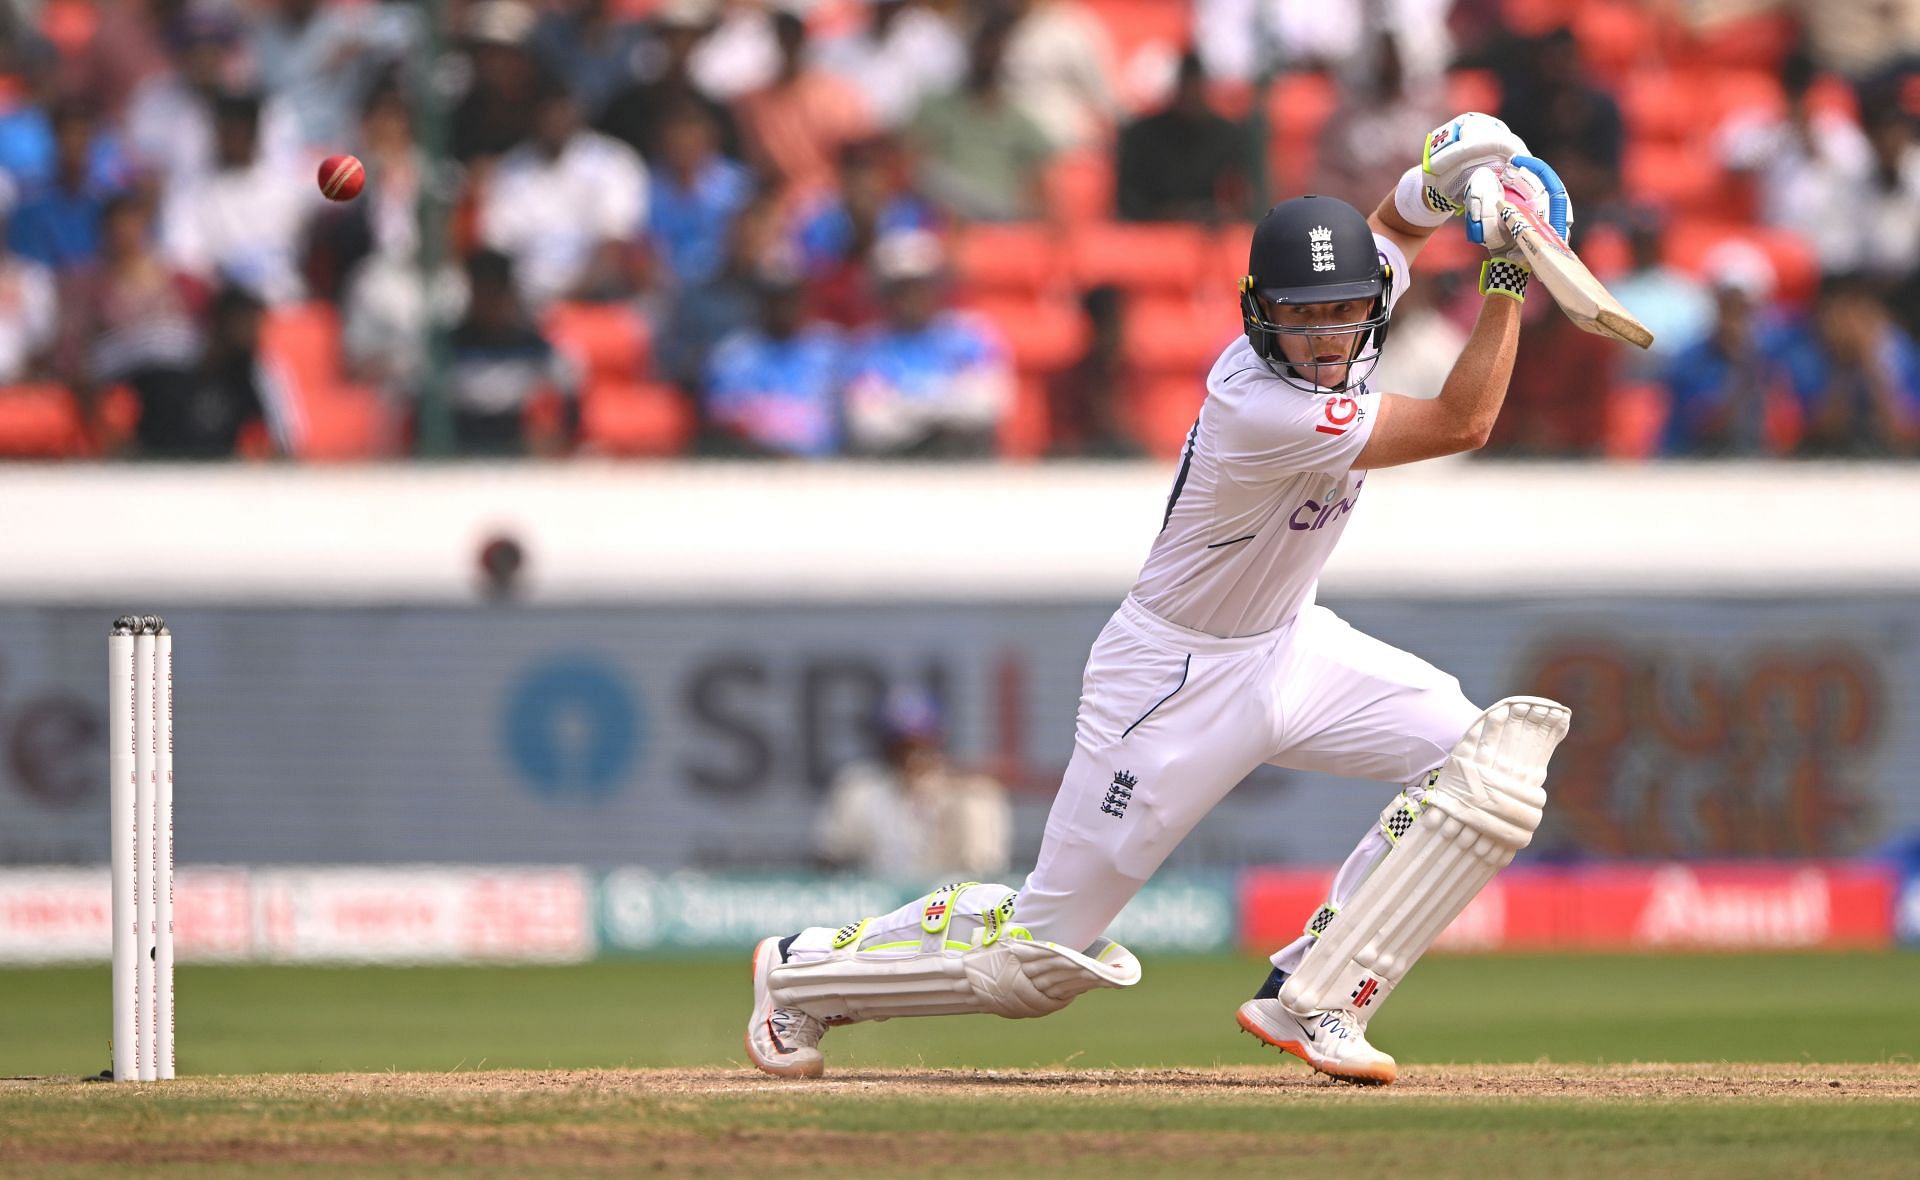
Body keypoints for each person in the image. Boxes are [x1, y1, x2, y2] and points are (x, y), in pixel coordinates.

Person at [744, 113, 1575, 1085]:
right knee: (1036, 959)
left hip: (1289, 646)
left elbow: (1388, 230)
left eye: (1341, 313)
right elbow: (1463, 421)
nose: (1322, 336)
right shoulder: (1259, 404)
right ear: (1257, 310)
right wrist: (1510, 269)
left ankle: (1318, 990)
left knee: (1488, 763)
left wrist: (1455, 174)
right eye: (1299, 317)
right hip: (1172, 679)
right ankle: (802, 974)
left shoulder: (1353, 302)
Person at [842, 229, 1010, 458]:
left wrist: (907, 409)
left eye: (921, 285)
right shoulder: (867, 347)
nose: (912, 297)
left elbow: (988, 404)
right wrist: (943, 407)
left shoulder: (972, 335)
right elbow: (868, 423)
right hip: (895, 467)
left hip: (966, 462)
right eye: (901, 288)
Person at [814, 691, 1011, 882]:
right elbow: (829, 859)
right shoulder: (860, 789)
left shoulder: (971, 794)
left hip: (949, 906)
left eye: (920, 743)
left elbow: (986, 870)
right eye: (899, 745)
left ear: (936, 740)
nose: (910, 755)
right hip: (879, 903)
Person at [702, 270, 845, 457]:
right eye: (774, 300)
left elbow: (845, 412)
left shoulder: (830, 350)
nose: (783, 308)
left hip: (828, 468)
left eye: (790, 299)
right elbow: (722, 419)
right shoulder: (732, 356)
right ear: (759, 303)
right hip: (754, 468)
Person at [1114, 50, 1252, 224]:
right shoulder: (1140, 135)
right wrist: (1168, 213)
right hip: (1153, 232)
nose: (1191, 94)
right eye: (1186, 86)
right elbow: (1128, 202)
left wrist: (1217, 214)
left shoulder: (1228, 135)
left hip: (1210, 234)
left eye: (1196, 86)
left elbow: (1241, 199)